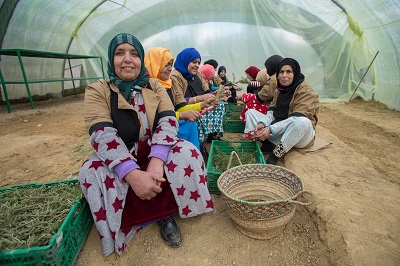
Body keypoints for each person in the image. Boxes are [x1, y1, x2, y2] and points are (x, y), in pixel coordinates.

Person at [78, 34, 214, 256]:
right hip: (121, 153)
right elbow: (102, 134)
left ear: (141, 58)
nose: (127, 59)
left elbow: (168, 120)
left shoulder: (154, 85)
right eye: (119, 53)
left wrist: (157, 160)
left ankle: (164, 215)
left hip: (153, 147)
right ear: (111, 60)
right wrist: (131, 173)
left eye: (133, 54)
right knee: (89, 173)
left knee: (187, 152)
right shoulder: (98, 90)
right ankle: (126, 220)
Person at [250, 58, 319, 165]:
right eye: (281, 72)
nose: (284, 75)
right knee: (251, 113)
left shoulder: (305, 90)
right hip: (280, 129)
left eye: (288, 72)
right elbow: (272, 112)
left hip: (299, 135)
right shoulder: (279, 89)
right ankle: (266, 143)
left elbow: (297, 118)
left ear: (295, 73)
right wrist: (262, 123)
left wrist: (271, 129)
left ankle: (276, 153)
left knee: (303, 122)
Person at [144, 47, 213, 150]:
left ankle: (193, 154)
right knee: (189, 123)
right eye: (166, 64)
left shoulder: (168, 84)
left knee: (191, 123)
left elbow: (179, 106)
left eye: (171, 65)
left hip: (172, 120)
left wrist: (202, 105)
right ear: (155, 64)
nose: (169, 69)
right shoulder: (147, 88)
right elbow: (152, 119)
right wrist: (182, 114)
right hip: (156, 129)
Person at [171, 48, 227, 160]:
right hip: (183, 109)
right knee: (193, 119)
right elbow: (180, 103)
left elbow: (207, 91)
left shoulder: (198, 75)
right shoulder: (175, 76)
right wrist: (202, 99)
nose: (197, 65)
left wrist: (215, 98)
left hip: (198, 106)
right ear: (186, 61)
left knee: (218, 106)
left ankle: (205, 138)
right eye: (194, 62)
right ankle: (197, 145)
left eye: (198, 63)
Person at [238, 55, 283, 143]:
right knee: (251, 112)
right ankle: (252, 135)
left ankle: (253, 136)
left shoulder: (274, 80)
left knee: (250, 110)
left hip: (277, 118)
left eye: (267, 68)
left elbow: (260, 97)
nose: (266, 71)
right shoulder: (275, 78)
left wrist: (243, 97)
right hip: (274, 114)